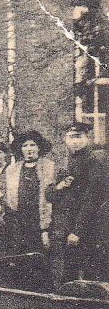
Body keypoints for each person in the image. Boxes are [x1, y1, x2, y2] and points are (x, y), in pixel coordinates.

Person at [47, 121, 109, 284]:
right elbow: (49, 194)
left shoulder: (95, 160)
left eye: (79, 137)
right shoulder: (65, 161)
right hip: (66, 226)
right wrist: (59, 187)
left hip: (89, 226)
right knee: (68, 272)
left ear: (87, 138)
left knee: (91, 272)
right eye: (71, 137)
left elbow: (93, 198)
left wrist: (78, 231)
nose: (75, 141)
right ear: (65, 139)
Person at [6, 130, 55, 252]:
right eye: (25, 146)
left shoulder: (49, 166)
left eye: (32, 145)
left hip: (41, 220)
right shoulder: (12, 169)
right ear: (20, 149)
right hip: (19, 221)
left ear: (39, 147)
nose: (29, 149)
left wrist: (46, 228)